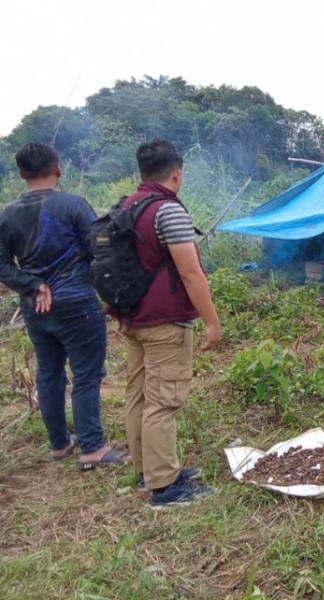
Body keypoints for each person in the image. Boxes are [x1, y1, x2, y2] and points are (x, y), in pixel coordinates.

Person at [0, 143, 126, 470]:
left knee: (49, 372)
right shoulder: (73, 205)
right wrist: (114, 296)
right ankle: (92, 448)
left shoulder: (8, 213)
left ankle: (59, 443)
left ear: (20, 174)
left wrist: (33, 285)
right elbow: (100, 252)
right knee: (86, 374)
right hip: (77, 303)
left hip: (35, 308)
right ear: (58, 169)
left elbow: (2, 265)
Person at [113, 139, 221, 508]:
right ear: (177, 173)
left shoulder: (127, 206)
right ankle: (164, 487)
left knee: (139, 395)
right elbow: (191, 274)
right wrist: (212, 322)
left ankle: (149, 470)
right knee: (163, 401)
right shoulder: (168, 210)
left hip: (133, 319)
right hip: (163, 322)